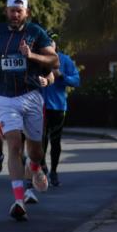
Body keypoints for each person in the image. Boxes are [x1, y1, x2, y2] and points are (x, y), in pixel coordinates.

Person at [0, 0, 58, 221]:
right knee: (14, 144)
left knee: (35, 152)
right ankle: (18, 200)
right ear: (6, 11)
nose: (15, 14)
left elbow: (54, 61)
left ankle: (35, 168)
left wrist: (32, 54)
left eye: (19, 11)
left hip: (31, 95)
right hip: (6, 98)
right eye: (12, 10)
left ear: (26, 12)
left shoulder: (36, 32)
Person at [41, 35, 80, 186]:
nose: (49, 44)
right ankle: (42, 168)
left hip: (58, 106)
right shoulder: (37, 58)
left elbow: (76, 81)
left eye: (51, 41)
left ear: (56, 44)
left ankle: (54, 172)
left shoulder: (64, 59)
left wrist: (61, 76)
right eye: (46, 42)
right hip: (39, 106)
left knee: (55, 141)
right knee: (40, 141)